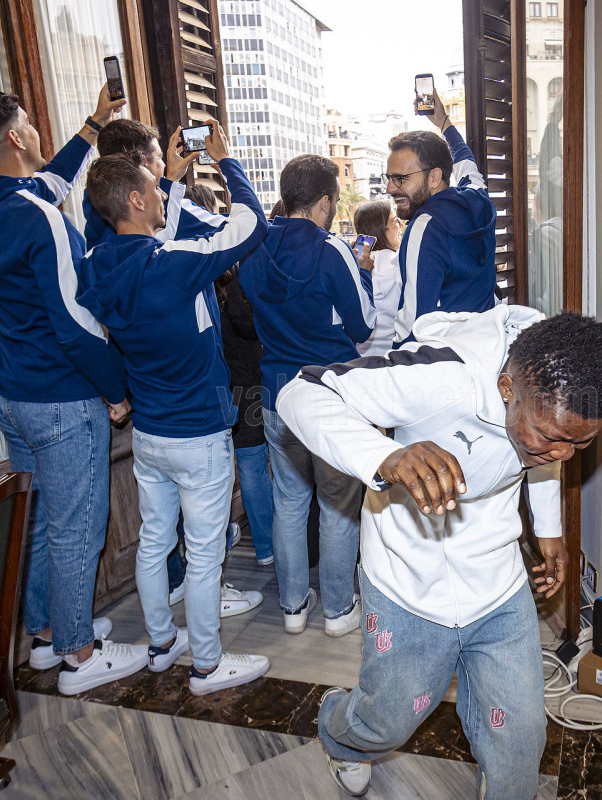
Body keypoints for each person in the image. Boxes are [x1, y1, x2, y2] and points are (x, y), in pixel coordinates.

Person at [276, 307, 602, 799]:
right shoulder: (441, 378)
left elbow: (553, 447)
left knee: (521, 738)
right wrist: (384, 455)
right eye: (550, 437)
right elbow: (302, 392)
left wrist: (549, 530)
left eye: (581, 444)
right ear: (506, 388)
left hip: (496, 579)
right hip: (407, 578)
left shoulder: (553, 379)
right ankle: (341, 732)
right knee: (386, 723)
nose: (564, 454)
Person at [0, 86, 148, 695]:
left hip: (12, 392)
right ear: (15, 136)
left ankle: (46, 632)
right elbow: (75, 321)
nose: (35, 130)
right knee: (76, 523)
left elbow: (49, 181)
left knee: (37, 521)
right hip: (59, 395)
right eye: (28, 123)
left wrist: (93, 126)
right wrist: (113, 388)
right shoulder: (40, 216)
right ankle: (79, 654)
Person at [75, 123, 271, 695]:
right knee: (205, 554)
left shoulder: (97, 265)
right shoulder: (172, 262)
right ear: (136, 201)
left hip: (150, 432)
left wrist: (176, 182)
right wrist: (226, 162)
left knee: (156, 540)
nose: (161, 193)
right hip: (199, 430)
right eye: (154, 187)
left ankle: (162, 642)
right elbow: (250, 226)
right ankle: (206, 664)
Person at [238, 154, 376, 638]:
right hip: (328, 392)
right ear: (323, 202)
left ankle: (293, 607)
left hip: (277, 392)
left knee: (289, 503)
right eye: (334, 200)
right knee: (338, 503)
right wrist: (362, 272)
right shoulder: (333, 249)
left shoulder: (255, 246)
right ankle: (338, 611)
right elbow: (364, 325)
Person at [185, 183, 275, 566]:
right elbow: (247, 324)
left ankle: (253, 545)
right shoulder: (230, 267)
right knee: (256, 462)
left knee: (237, 464)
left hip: (216, 383)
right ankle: (269, 546)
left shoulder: (184, 267)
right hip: (249, 379)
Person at [386, 93, 497, 344]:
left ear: (435, 177)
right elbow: (466, 162)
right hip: (487, 348)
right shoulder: (478, 200)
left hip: (443, 359)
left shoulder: (425, 228)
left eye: (400, 178)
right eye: (389, 178)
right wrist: (443, 122)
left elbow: (411, 326)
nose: (390, 188)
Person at [83, 118, 225, 249]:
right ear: (143, 162)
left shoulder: (98, 201)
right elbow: (234, 230)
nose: (164, 164)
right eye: (159, 157)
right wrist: (226, 160)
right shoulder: (164, 211)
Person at [352, 199, 404, 357]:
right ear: (382, 230)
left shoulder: (352, 267)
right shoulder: (399, 264)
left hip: (358, 357)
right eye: (396, 221)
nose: (401, 225)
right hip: (392, 355)